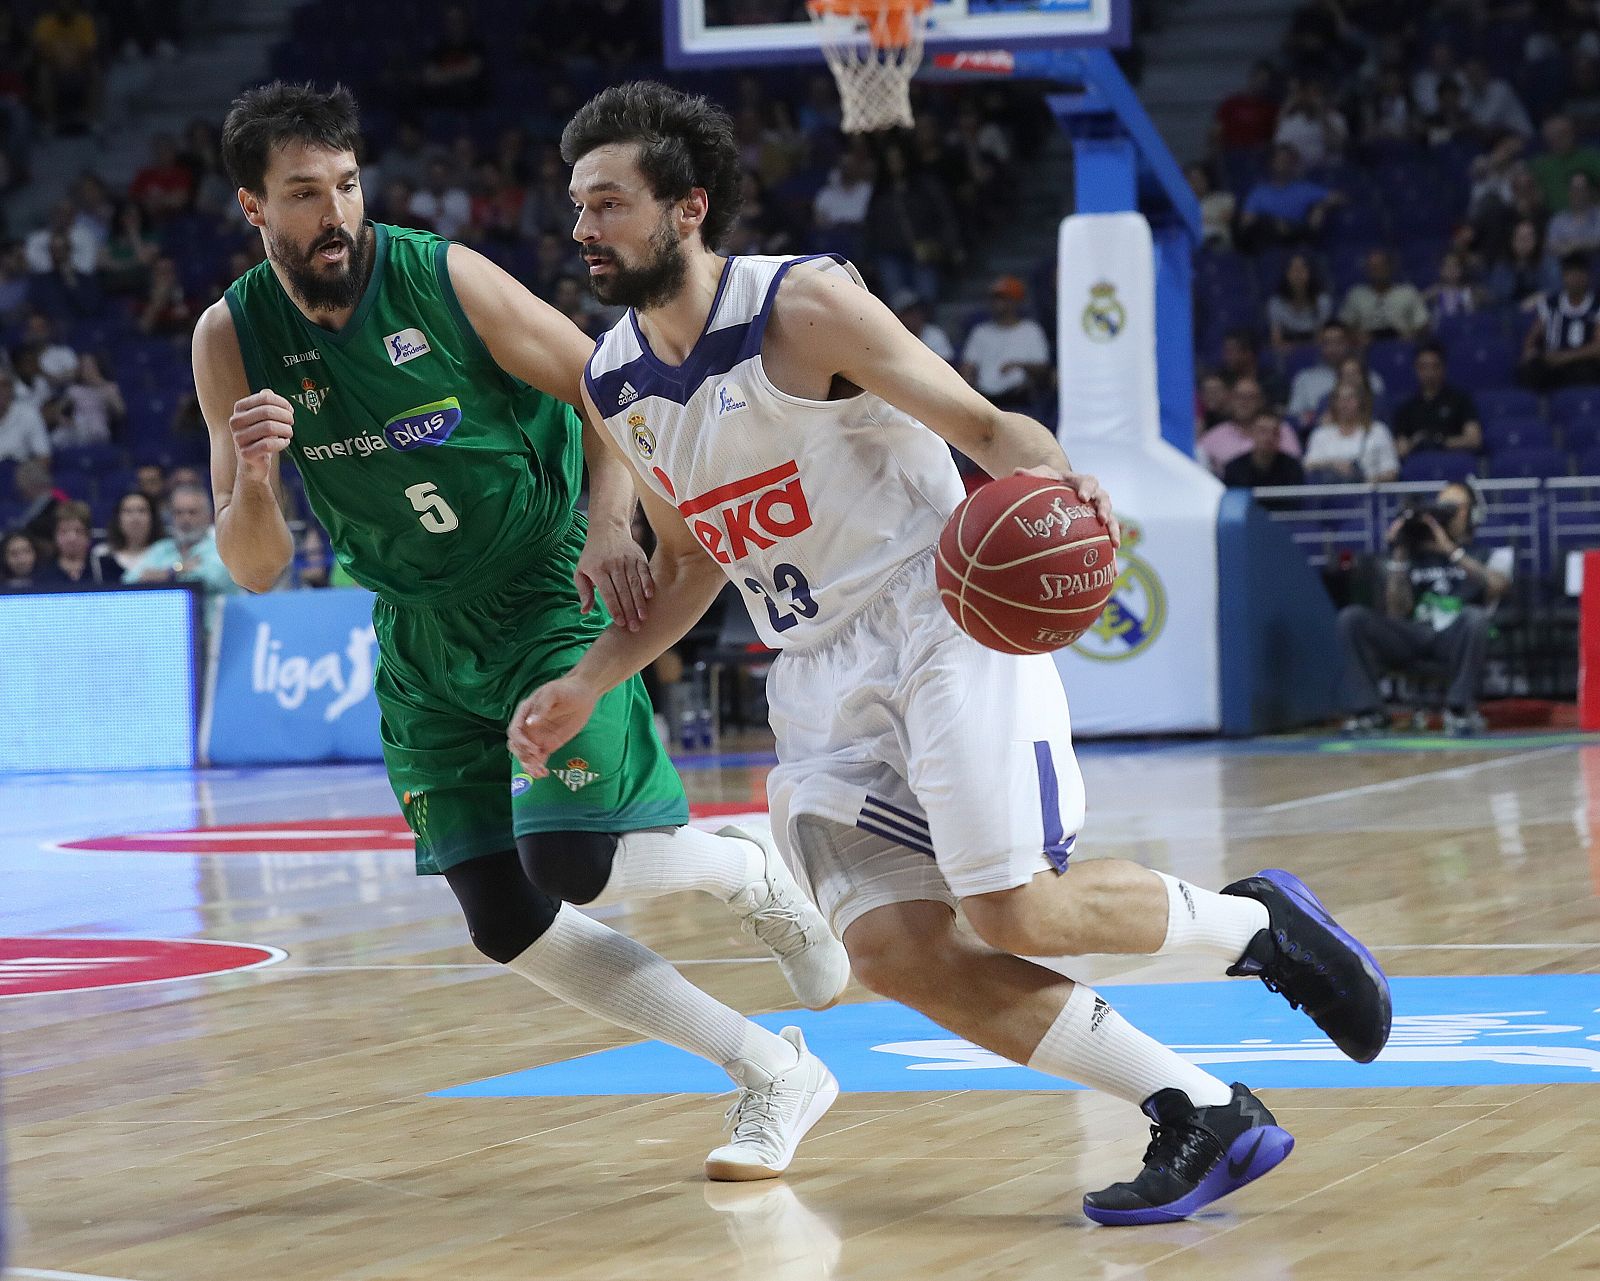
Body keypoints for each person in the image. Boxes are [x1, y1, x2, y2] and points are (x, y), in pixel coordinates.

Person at [514, 80, 1393, 1227]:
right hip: (814, 668)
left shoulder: (806, 306)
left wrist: (1053, 475)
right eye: (577, 205)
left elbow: (983, 428)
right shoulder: (614, 382)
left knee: (1016, 910)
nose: (583, 229)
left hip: (940, 623)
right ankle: (1200, 1108)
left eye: (608, 204)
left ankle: (1258, 929)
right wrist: (587, 681)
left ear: (686, 208)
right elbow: (689, 564)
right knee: (893, 952)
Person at [196, 82, 847, 1180]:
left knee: (574, 861)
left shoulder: (438, 276)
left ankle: (743, 870)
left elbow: (603, 387)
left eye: (348, 185)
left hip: (543, 584)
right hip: (418, 631)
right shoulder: (231, 337)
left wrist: (609, 521)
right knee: (503, 917)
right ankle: (771, 1073)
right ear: (253, 209)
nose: (337, 213)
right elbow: (254, 572)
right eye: (305, 194)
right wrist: (256, 479)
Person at [1339, 481, 1512, 736]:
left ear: (1473, 514)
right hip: (1414, 634)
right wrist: (1399, 553)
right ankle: (1370, 712)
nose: (1447, 512)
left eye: (1455, 507)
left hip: (1455, 636)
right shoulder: (1415, 553)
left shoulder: (1486, 553)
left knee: (1475, 618)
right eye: (1443, 506)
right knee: (1351, 618)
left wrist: (1451, 552)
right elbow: (1396, 611)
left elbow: (1498, 586)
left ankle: (1458, 711)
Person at [959, 276, 1052, 412]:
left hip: (1018, 398)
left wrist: (1019, 365)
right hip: (985, 398)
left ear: (1016, 302)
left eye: (1003, 298)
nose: (997, 303)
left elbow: (1043, 368)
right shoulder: (980, 332)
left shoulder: (1031, 330)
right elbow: (968, 366)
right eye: (995, 298)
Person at [1521, 252, 1600, 389]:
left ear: (1587, 277)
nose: (1574, 280)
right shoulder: (1550, 304)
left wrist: (1565, 357)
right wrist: (1530, 351)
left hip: (1583, 364)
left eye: (1578, 275)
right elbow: (1533, 336)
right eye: (1570, 274)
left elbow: (1597, 348)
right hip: (1553, 362)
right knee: (1530, 371)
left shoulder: (1596, 306)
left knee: (1586, 374)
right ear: (1563, 276)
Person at [1195, 376, 1302, 477]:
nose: (1244, 402)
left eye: (1250, 397)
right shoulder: (1213, 436)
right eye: (1239, 397)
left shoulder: (1281, 429)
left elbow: (1293, 466)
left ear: (1261, 401)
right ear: (1230, 400)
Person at [1286, 319, 1384, 427]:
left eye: (1339, 342)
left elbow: (1380, 411)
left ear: (1349, 343)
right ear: (1320, 346)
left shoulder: (1371, 378)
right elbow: (1294, 417)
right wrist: (1315, 420)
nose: (1333, 348)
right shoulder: (1305, 378)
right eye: (1327, 342)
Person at [1392, 343, 1483, 458]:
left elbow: (1474, 439)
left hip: (1453, 461)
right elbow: (1400, 449)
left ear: (1443, 367)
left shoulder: (1460, 400)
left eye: (1435, 366)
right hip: (1420, 465)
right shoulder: (1405, 408)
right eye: (1424, 367)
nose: (1429, 373)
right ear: (1416, 369)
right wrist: (1417, 442)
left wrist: (1439, 441)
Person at [1303, 383, 1400, 482]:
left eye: (1350, 398)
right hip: (1330, 493)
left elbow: (1391, 471)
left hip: (1367, 491)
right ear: (1334, 403)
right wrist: (1334, 465)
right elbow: (1308, 465)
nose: (1345, 404)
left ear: (1360, 402)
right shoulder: (1321, 434)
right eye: (1340, 399)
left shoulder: (1378, 431)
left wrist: (1366, 480)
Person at [1339, 248, 1429, 341]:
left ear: (1390, 267)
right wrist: (1357, 337)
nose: (1377, 271)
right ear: (1367, 270)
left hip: (1401, 346)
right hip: (1365, 348)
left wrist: (1410, 336)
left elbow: (1423, 324)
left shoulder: (1408, 292)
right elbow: (1344, 326)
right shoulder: (1356, 294)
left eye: (1381, 266)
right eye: (1373, 267)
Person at [1222, 410, 1306, 488]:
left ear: (1280, 436)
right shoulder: (1234, 468)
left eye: (1274, 432)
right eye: (1263, 431)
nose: (1268, 437)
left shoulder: (1292, 468)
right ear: (1252, 433)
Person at [91, 489, 163, 581]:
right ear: (118, 519)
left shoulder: (167, 552)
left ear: (152, 518)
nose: (135, 518)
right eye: (128, 511)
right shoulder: (101, 554)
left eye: (142, 511)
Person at [1266, 251, 1332, 348]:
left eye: (1302, 269)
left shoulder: (1323, 301)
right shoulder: (1275, 304)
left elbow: (1322, 339)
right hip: (1288, 354)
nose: (1298, 274)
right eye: (1294, 270)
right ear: (1287, 274)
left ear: (1310, 273)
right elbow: (1276, 341)